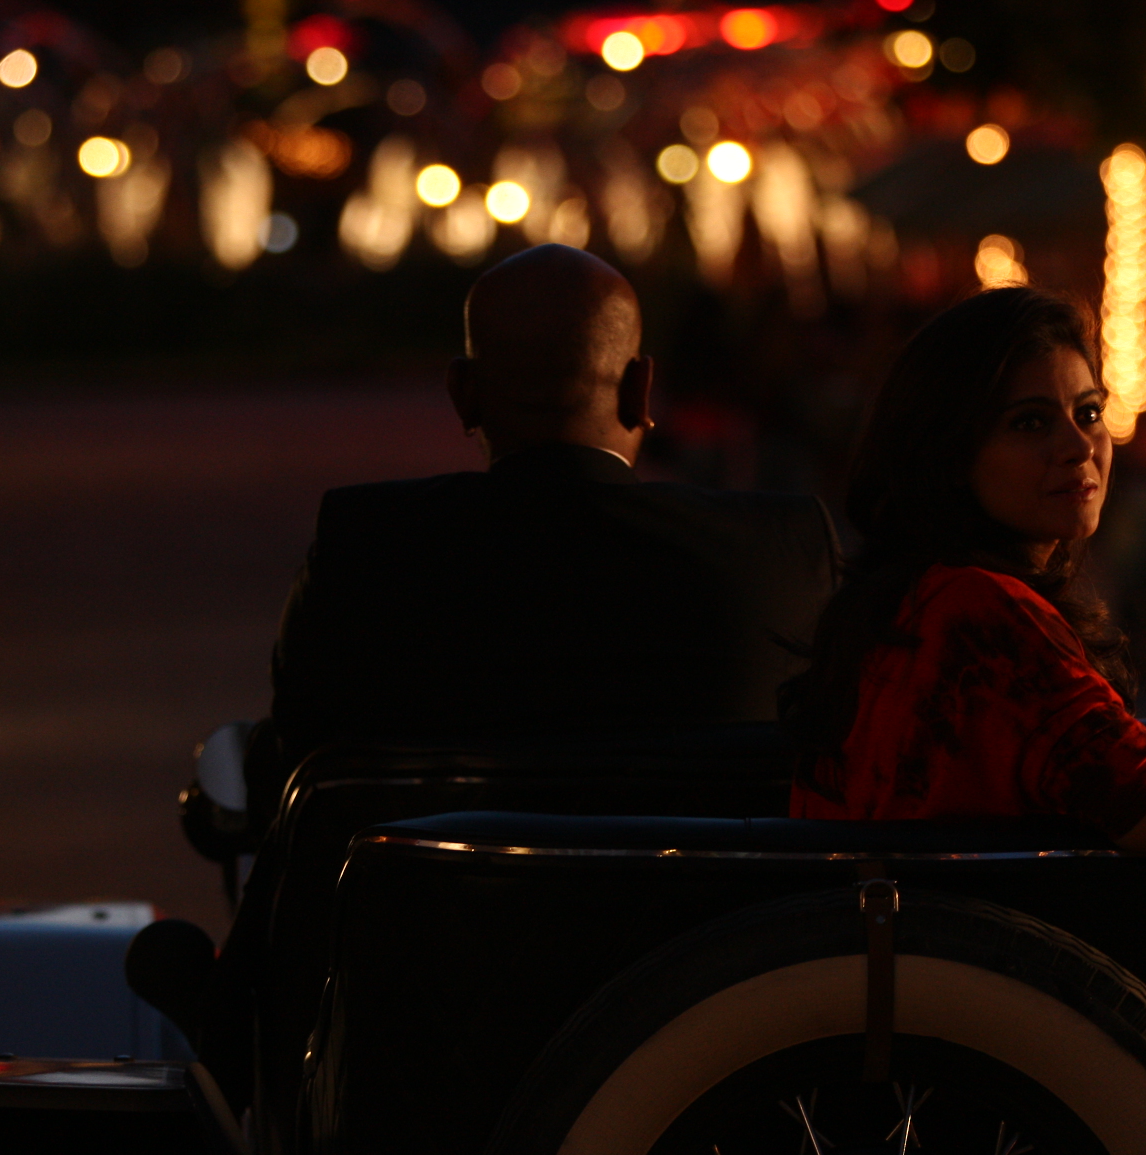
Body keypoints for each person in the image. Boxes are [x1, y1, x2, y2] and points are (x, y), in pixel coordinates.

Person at [265, 243, 838, 775]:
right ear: (640, 390)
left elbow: (298, 750)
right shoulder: (782, 549)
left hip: (430, 884)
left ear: (463, 394)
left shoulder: (367, 546)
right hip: (700, 887)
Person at [783, 287, 1146, 854]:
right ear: (951, 455)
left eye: (1088, 413)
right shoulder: (979, 613)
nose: (1077, 446)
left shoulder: (917, 598)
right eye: (1031, 424)